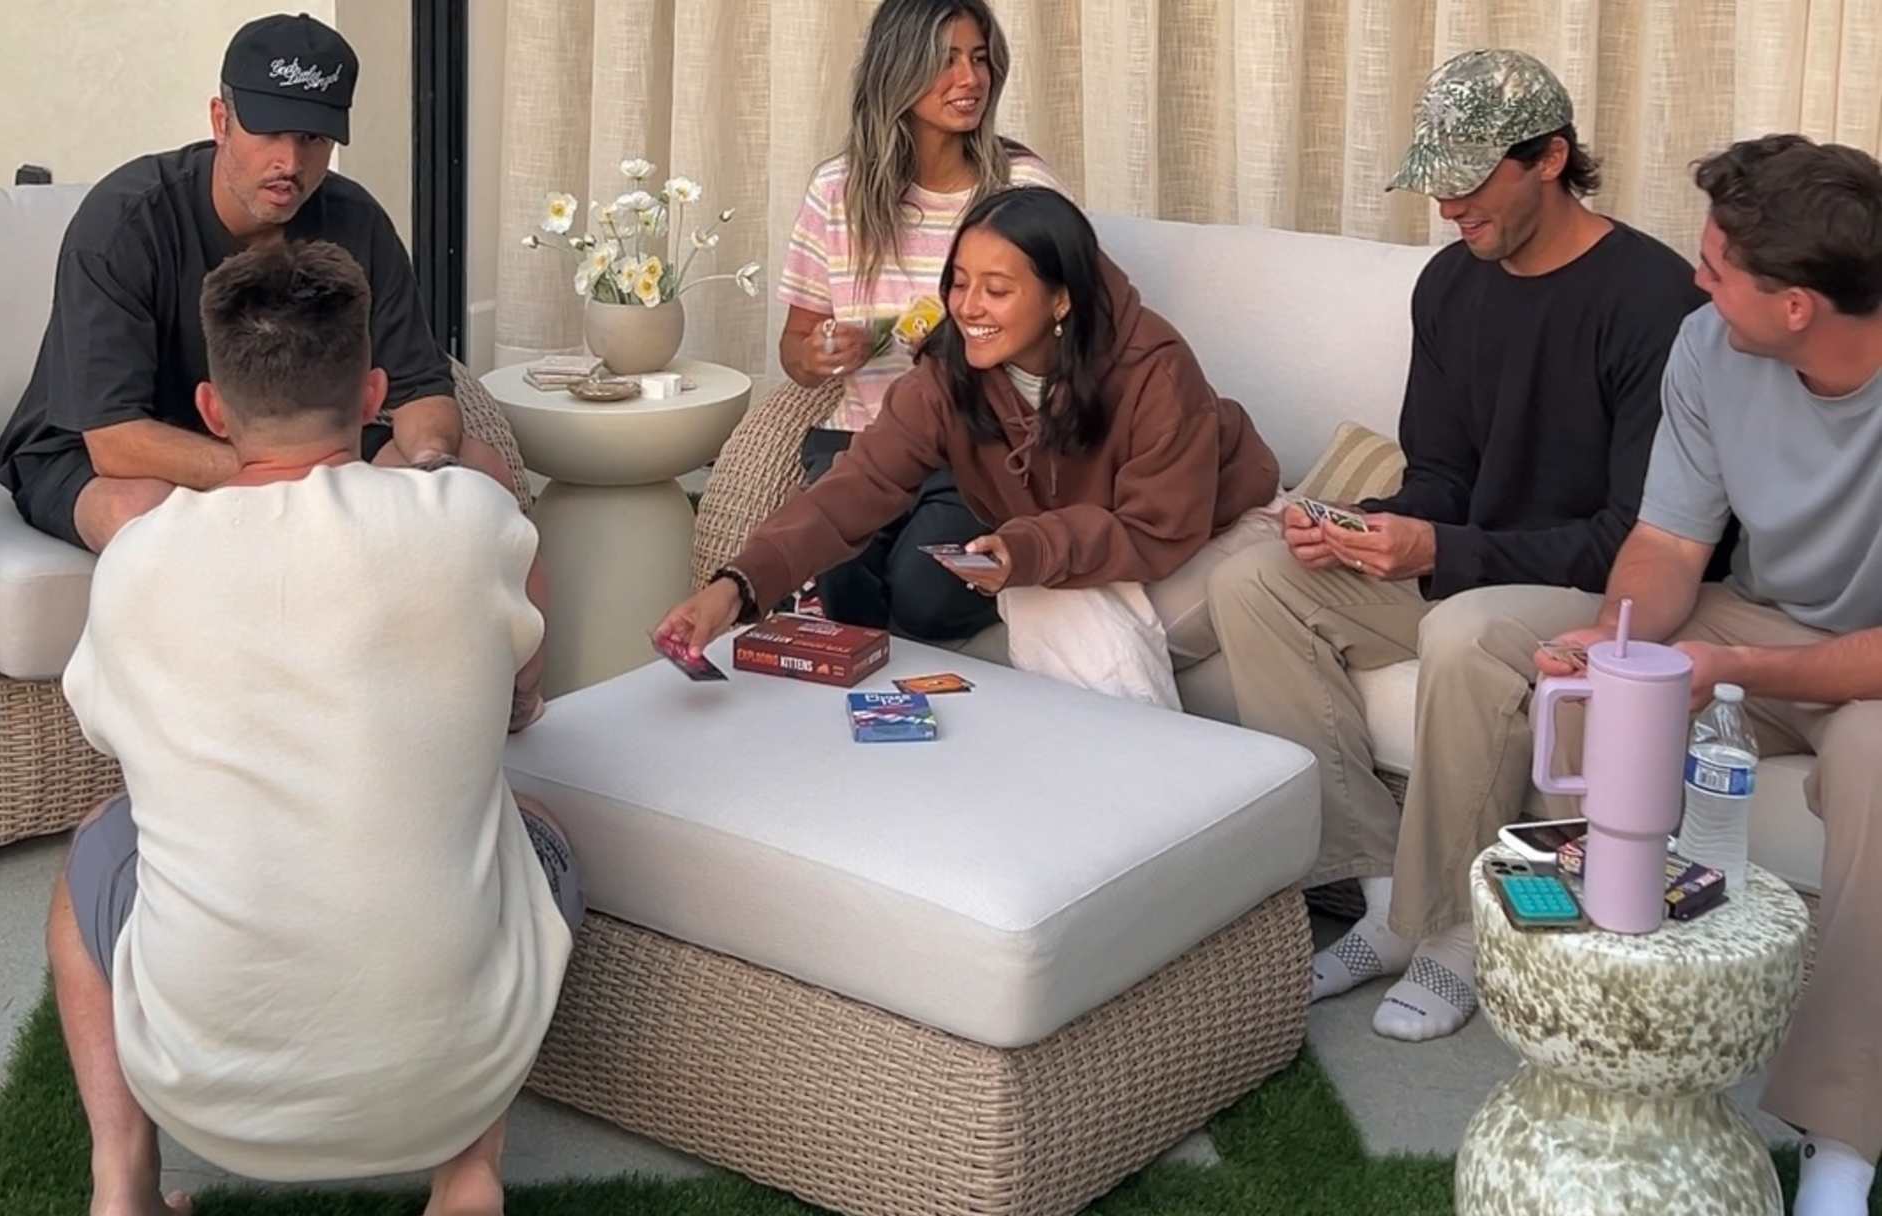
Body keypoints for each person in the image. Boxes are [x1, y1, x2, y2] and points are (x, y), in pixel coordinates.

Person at [48, 239, 577, 1216]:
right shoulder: (473, 519)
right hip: (446, 1076)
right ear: (374, 392)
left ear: (211, 409)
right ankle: (466, 1177)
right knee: (538, 839)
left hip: (203, 1088)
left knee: (91, 862)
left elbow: (117, 748)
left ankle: (124, 1189)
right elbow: (524, 685)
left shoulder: (140, 556)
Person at [1207, 49, 1706, 1042]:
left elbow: (1631, 536)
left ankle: (1456, 936)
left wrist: (1442, 551)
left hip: (1602, 583)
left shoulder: (1657, 304)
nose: (1447, 208)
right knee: (1258, 580)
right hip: (1478, 558)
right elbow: (1441, 468)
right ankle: (1386, 887)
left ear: (1551, 157)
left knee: (1467, 633)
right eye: (1439, 182)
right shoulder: (1448, 287)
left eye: (1471, 181)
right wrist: (1369, 526)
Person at [1537, 134, 1882, 1216]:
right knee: (1512, 649)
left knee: (1878, 763)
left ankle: (1842, 1155)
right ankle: (1553, 1002)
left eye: (1717, 268)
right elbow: (1674, 545)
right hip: (1758, 623)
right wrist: (1620, 641)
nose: (1695, 283)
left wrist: (1730, 665)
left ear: (1796, 304)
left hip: (1871, 669)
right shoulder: (1710, 347)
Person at [658, 186, 1278, 704]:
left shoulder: (1154, 368)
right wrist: (735, 587)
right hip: (1091, 550)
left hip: (1211, 534)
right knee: (1043, 605)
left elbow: (1157, 529)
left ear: (1061, 298)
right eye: (958, 283)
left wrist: (1028, 548)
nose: (968, 307)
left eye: (997, 290)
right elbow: (855, 488)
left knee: (1049, 608)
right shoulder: (950, 376)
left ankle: (1152, 806)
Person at [0, 12, 509, 552]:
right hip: (103, 447)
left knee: (479, 475)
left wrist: (431, 473)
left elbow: (421, 389)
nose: (290, 161)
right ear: (221, 120)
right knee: (144, 520)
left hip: (301, 440)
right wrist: (289, 478)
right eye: (269, 131)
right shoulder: (124, 224)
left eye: (312, 137)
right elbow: (113, 440)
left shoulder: (357, 221)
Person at [777, 0, 1067, 642]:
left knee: (925, 594)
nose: (970, 80)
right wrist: (820, 351)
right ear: (897, 70)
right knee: (840, 584)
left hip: (979, 447)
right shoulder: (836, 191)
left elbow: (1068, 333)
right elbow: (794, 350)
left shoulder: (1020, 187)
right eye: (945, 61)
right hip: (859, 442)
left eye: (980, 59)